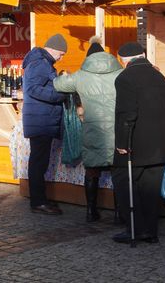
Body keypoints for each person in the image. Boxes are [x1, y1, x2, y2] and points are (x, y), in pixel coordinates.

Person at [53, 36, 123, 222]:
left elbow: (58, 85)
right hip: (117, 132)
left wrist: (65, 75)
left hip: (93, 131)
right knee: (118, 173)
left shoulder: (81, 75)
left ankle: (91, 212)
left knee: (92, 171)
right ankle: (118, 214)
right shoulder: (120, 73)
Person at [111, 42, 165, 244]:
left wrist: (122, 142)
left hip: (136, 144)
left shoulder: (125, 78)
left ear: (124, 60)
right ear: (143, 55)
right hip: (160, 144)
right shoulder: (160, 76)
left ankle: (135, 229)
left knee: (125, 183)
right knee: (150, 190)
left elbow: (127, 113)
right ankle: (150, 231)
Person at [22, 33, 67, 215]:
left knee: (39, 162)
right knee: (39, 162)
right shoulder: (40, 63)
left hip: (41, 118)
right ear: (54, 50)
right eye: (62, 54)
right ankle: (38, 202)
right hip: (41, 119)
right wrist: (58, 96)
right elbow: (32, 89)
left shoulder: (41, 62)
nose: (61, 58)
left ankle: (40, 199)